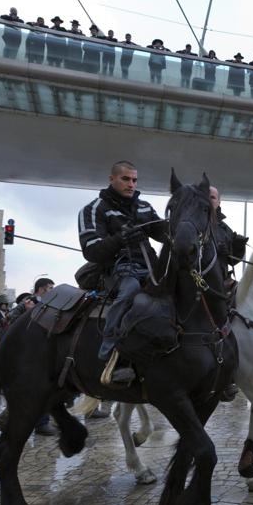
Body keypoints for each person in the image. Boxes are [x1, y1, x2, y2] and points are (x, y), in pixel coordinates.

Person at [78, 160, 168, 384]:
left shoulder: (144, 207)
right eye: (125, 179)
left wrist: (184, 224)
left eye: (134, 180)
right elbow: (91, 251)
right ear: (112, 179)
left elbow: (164, 234)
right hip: (116, 271)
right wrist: (121, 239)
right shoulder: (94, 209)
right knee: (131, 291)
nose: (131, 184)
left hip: (150, 269)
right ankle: (110, 350)